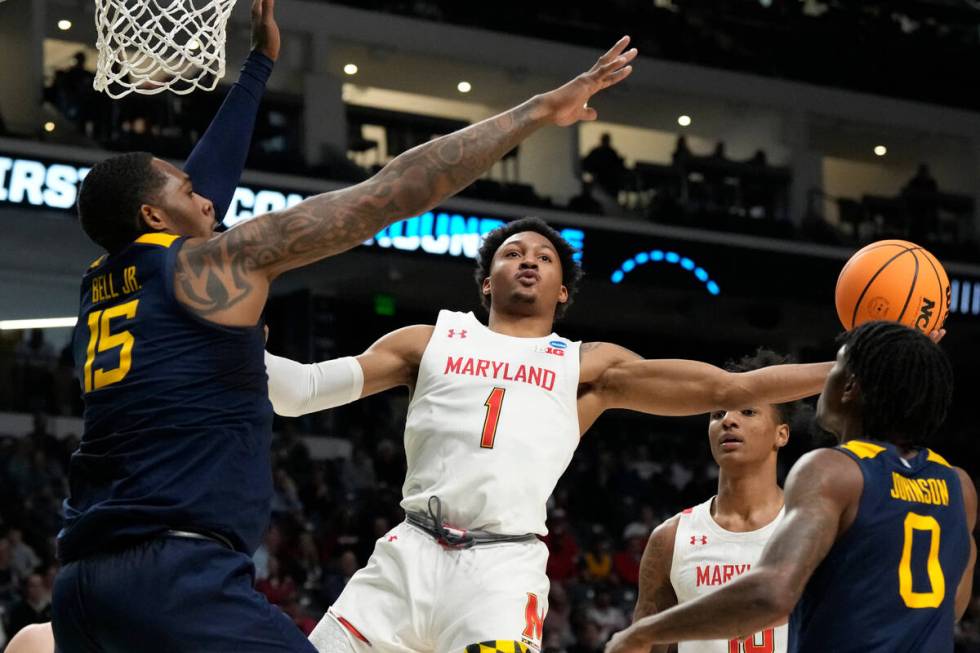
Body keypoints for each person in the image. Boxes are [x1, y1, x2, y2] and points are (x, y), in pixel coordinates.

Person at [51, 20, 639, 651]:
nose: (210, 201)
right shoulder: (213, 265)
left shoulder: (109, 278)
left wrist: (258, 68)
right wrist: (540, 111)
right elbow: (391, 191)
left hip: (84, 581)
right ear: (155, 214)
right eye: (192, 191)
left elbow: (193, 191)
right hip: (175, 573)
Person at [258, 216, 834, 653]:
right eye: (512, 253)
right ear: (487, 283)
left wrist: (843, 370)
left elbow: (730, 389)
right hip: (408, 553)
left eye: (544, 257)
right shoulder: (429, 340)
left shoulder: (585, 366)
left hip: (500, 572)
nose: (528, 260)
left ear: (562, 292)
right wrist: (232, 347)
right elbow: (301, 392)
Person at [606, 321, 975, 653]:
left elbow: (770, 594)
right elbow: (953, 605)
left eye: (836, 368)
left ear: (849, 387)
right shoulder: (959, 486)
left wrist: (643, 633)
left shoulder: (833, 470)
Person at [633, 349, 800, 653]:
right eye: (717, 414)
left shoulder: (811, 531)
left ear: (782, 434)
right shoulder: (670, 538)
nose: (728, 421)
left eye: (747, 412)